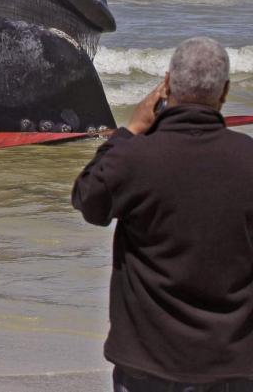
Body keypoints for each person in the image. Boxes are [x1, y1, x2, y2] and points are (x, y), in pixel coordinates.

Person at [73, 37, 253, 391]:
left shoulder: (134, 158)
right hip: (232, 362)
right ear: (225, 91)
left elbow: (87, 199)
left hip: (147, 361)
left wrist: (128, 131)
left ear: (166, 85)